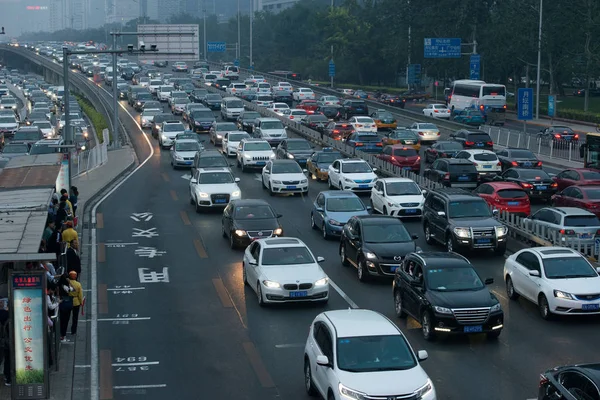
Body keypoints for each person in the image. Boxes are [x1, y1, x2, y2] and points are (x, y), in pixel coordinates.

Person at [67, 271, 83, 336]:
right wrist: (81, 302)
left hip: (68, 301)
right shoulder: (78, 284)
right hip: (76, 302)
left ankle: (64, 330)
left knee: (67, 317)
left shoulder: (68, 283)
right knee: (75, 317)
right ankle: (73, 331)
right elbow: (80, 295)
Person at [0, 300, 10, 386]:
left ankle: (7, 377)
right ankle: (8, 377)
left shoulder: (5, 313)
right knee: (8, 359)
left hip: (4, 341)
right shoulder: (6, 314)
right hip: (7, 341)